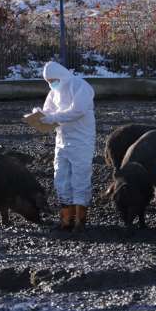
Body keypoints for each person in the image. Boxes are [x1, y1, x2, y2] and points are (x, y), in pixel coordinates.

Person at [34, 61, 95, 232]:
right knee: (61, 178)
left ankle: (80, 220)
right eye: (48, 81)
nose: (51, 83)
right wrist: (39, 115)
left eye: (53, 79)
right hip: (61, 141)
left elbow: (78, 111)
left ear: (61, 75)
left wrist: (53, 118)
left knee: (80, 178)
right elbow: (49, 110)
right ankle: (66, 219)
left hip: (81, 141)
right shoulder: (54, 91)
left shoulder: (80, 86)